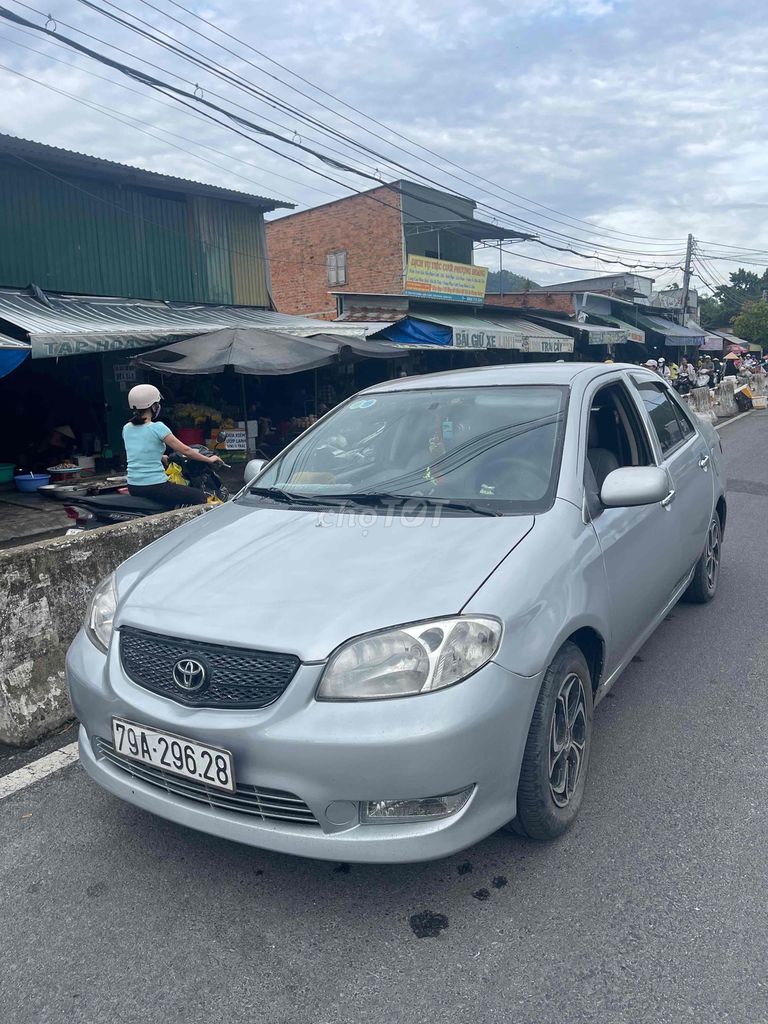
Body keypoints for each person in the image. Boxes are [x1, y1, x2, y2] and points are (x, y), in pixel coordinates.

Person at [123, 384, 224, 507]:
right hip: (155, 485)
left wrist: (162, 457)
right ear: (153, 406)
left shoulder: (126, 428)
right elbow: (186, 450)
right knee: (201, 497)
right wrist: (209, 459)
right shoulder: (157, 427)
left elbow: (140, 451)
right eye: (157, 403)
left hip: (134, 486)